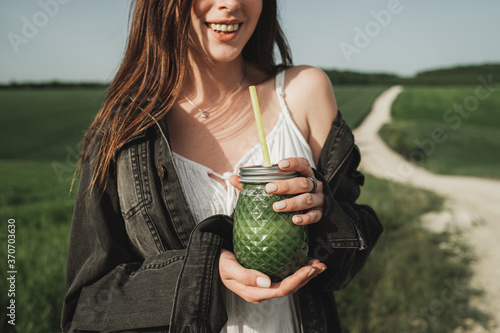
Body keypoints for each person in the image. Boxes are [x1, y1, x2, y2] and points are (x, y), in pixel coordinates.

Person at [62, 0, 383, 332]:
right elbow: (88, 305)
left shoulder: (304, 91)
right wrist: (203, 272)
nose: (230, 3)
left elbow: (355, 247)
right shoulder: (124, 129)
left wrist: (322, 213)